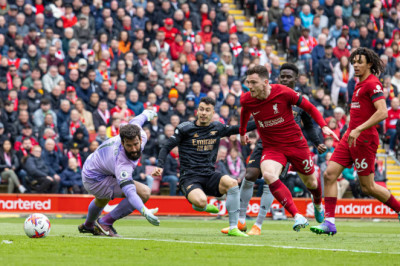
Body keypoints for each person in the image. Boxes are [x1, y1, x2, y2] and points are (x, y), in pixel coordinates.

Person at [223, 63, 327, 235]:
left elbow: (309, 116)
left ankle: (317, 203)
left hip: (295, 144)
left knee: (312, 183)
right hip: (270, 145)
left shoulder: (287, 94)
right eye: (248, 82)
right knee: (266, 175)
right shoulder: (247, 98)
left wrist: (321, 132)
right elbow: (245, 113)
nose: (249, 86)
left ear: (265, 82)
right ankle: (294, 216)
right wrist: (241, 132)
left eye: (253, 82)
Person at [311, 48, 400, 236]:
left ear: (369, 64)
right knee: (329, 174)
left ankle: (398, 208)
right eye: (354, 62)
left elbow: (383, 112)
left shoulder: (373, 84)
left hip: (364, 140)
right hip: (349, 137)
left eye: (360, 62)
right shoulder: (357, 84)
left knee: (368, 186)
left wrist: (359, 129)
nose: (356, 65)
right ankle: (329, 223)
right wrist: (352, 129)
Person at [152, 97, 257, 237]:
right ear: (197, 111)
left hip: (209, 174)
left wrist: (261, 119)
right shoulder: (185, 128)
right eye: (201, 109)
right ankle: (202, 206)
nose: (203, 113)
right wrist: (160, 166)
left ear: (213, 112)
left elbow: (237, 129)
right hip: (189, 177)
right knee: (201, 202)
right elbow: (166, 147)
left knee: (232, 183)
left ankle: (233, 227)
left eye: (207, 110)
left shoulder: (217, 127)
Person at [78, 110, 160, 237]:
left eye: (136, 144)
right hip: (94, 179)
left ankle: (88, 225)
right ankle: (105, 223)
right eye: (129, 145)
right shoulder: (122, 163)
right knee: (144, 193)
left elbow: (136, 121)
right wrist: (144, 211)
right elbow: (130, 192)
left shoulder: (140, 134)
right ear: (122, 143)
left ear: (140, 138)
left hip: (94, 166)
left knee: (102, 199)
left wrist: (146, 113)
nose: (133, 149)